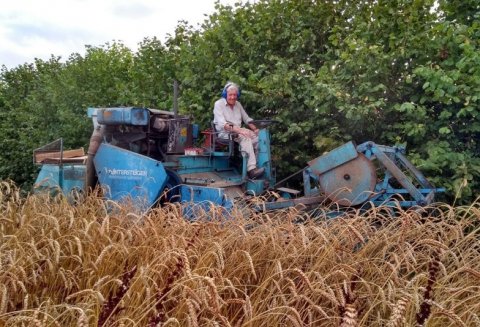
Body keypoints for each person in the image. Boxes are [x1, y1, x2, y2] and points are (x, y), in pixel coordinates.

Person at [213, 82, 265, 179]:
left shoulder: (238, 104)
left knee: (259, 139)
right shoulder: (218, 104)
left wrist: (256, 129)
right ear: (225, 95)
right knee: (245, 138)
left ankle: (257, 166)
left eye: (235, 95)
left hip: (239, 131)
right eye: (230, 95)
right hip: (225, 133)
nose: (233, 97)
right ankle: (251, 170)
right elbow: (222, 124)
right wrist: (240, 131)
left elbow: (247, 119)